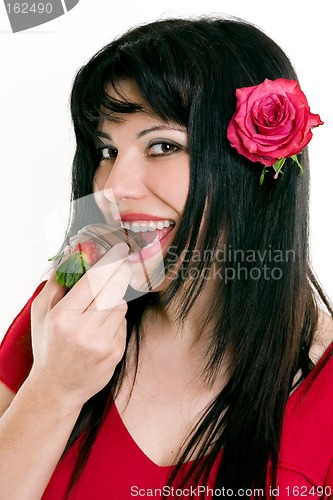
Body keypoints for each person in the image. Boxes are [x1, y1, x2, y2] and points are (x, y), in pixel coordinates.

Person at [0, 16, 332, 500]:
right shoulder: (64, 319)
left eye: (162, 145)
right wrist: (54, 388)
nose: (113, 187)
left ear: (251, 168)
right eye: (105, 150)